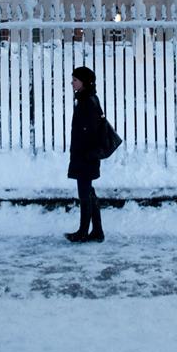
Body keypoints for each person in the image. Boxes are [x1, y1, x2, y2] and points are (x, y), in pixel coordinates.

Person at [65, 65, 105, 243]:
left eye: (75, 80)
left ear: (84, 82)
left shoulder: (87, 101)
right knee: (88, 191)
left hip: (86, 155)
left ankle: (84, 231)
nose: (72, 83)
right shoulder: (86, 99)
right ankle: (96, 231)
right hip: (85, 154)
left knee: (84, 193)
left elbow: (91, 131)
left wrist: (87, 153)